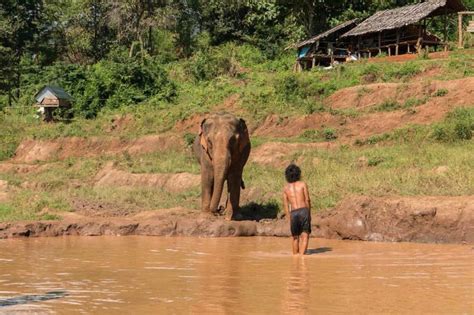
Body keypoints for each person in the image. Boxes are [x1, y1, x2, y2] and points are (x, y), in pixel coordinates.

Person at [282, 164, 311, 255]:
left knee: (295, 237)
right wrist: (309, 213)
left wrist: (288, 217)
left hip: (293, 213)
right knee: (305, 236)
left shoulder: (285, 189)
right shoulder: (302, 184)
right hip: (303, 211)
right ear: (298, 174)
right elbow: (307, 199)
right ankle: (302, 259)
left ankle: (295, 259)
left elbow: (285, 205)